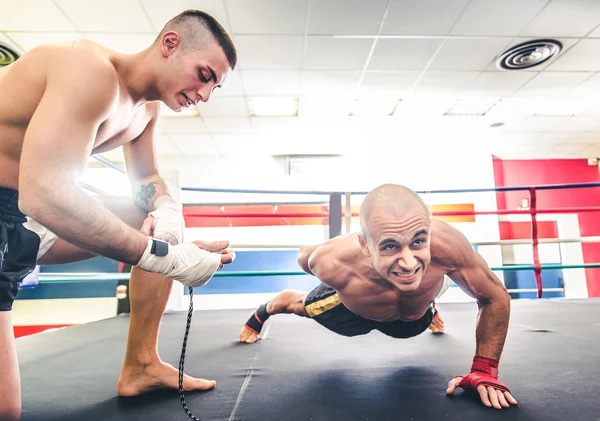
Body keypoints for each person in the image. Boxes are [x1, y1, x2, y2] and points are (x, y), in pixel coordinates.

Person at [0, 9, 237, 420]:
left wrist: (168, 214)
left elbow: (147, 178)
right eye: (204, 75)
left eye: (214, 88)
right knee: (6, 410)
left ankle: (141, 365)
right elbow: (44, 195)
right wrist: (162, 257)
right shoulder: (89, 71)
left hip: (22, 216)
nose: (204, 93)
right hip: (24, 206)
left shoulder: (145, 111)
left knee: (152, 223)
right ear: (170, 44)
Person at [240, 184, 517, 410]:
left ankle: (426, 303)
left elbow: (494, 297)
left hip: (412, 319)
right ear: (365, 244)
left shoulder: (450, 247)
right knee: (297, 305)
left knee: (421, 288)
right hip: (350, 313)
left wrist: (484, 370)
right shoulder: (330, 261)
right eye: (389, 245)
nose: (408, 263)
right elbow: (306, 257)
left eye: (418, 241)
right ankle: (266, 310)